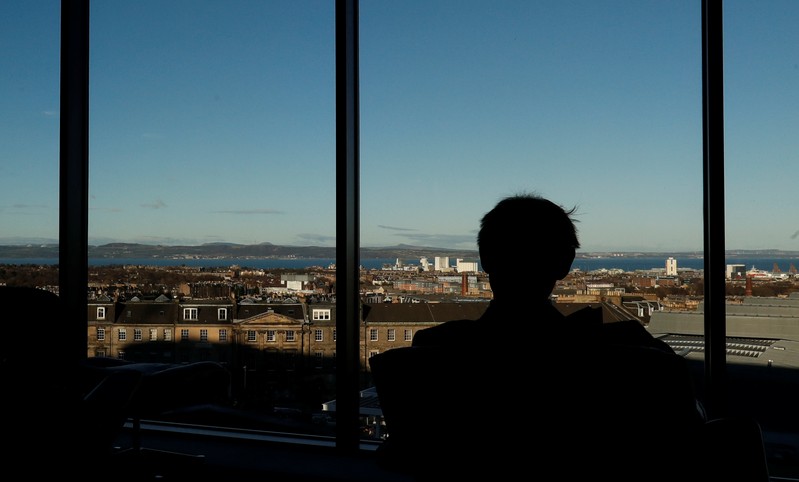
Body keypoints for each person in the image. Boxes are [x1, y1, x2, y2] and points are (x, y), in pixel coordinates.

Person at [385, 192, 706, 481]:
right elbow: (686, 446)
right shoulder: (640, 359)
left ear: (484, 260)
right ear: (565, 264)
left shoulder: (430, 357)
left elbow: (413, 459)